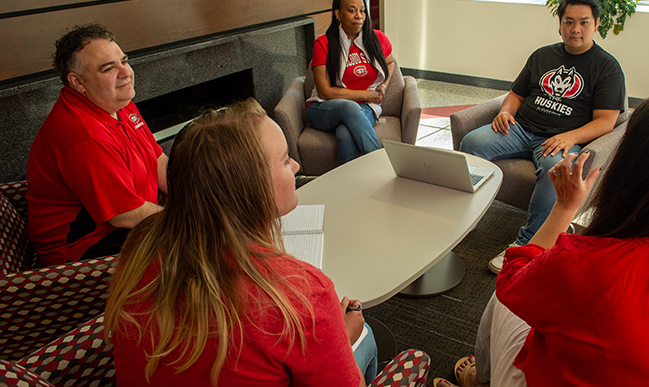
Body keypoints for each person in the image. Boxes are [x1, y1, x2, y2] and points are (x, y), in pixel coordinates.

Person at [437, 92, 649, 387]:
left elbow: (513, 283)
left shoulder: (591, 265)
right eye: (568, 21)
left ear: (628, 169)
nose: (573, 28)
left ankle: (484, 375)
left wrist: (564, 206)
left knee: (503, 298)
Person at [105, 98, 429, 386]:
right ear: (251, 187)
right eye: (286, 159)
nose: (297, 167)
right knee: (367, 336)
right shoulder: (303, 293)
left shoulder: (141, 243)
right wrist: (340, 339)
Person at [459, 0, 626, 274]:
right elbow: (516, 94)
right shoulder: (542, 55)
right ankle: (467, 217)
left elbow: (606, 122)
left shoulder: (607, 68)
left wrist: (572, 137)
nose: (576, 29)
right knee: (471, 142)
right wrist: (505, 112)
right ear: (559, 23)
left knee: (556, 171)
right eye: (569, 21)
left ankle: (527, 245)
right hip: (520, 129)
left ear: (597, 24)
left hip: (560, 140)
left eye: (584, 22)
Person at [26, 24, 168, 266]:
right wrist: (189, 217)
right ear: (78, 82)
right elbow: (124, 215)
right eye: (108, 68)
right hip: (85, 248)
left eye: (124, 61)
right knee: (198, 243)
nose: (126, 73)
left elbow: (158, 161)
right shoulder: (84, 136)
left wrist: (197, 193)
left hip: (132, 213)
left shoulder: (116, 100)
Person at [305, 0, 396, 165]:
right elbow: (324, 92)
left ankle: (349, 189)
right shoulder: (323, 44)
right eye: (352, 10)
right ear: (338, 14)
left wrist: (383, 85)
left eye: (362, 10)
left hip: (366, 108)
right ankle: (384, 168)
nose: (359, 16)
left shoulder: (378, 38)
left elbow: (391, 63)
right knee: (349, 108)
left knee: (345, 134)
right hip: (324, 108)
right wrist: (364, 95)